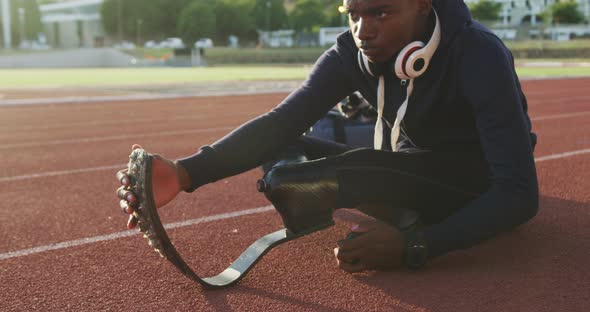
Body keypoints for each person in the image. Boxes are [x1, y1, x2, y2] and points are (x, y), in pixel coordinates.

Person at [116, 0, 538, 272]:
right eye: (353, 14)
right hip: (408, 170)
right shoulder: (351, 53)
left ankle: (411, 218)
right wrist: (185, 173)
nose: (363, 30)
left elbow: (519, 194)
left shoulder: (478, 53)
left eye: (381, 12)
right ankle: (397, 207)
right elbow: (282, 123)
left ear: (423, 6)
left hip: (474, 183)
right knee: (283, 154)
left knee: (335, 173)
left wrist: (416, 246)